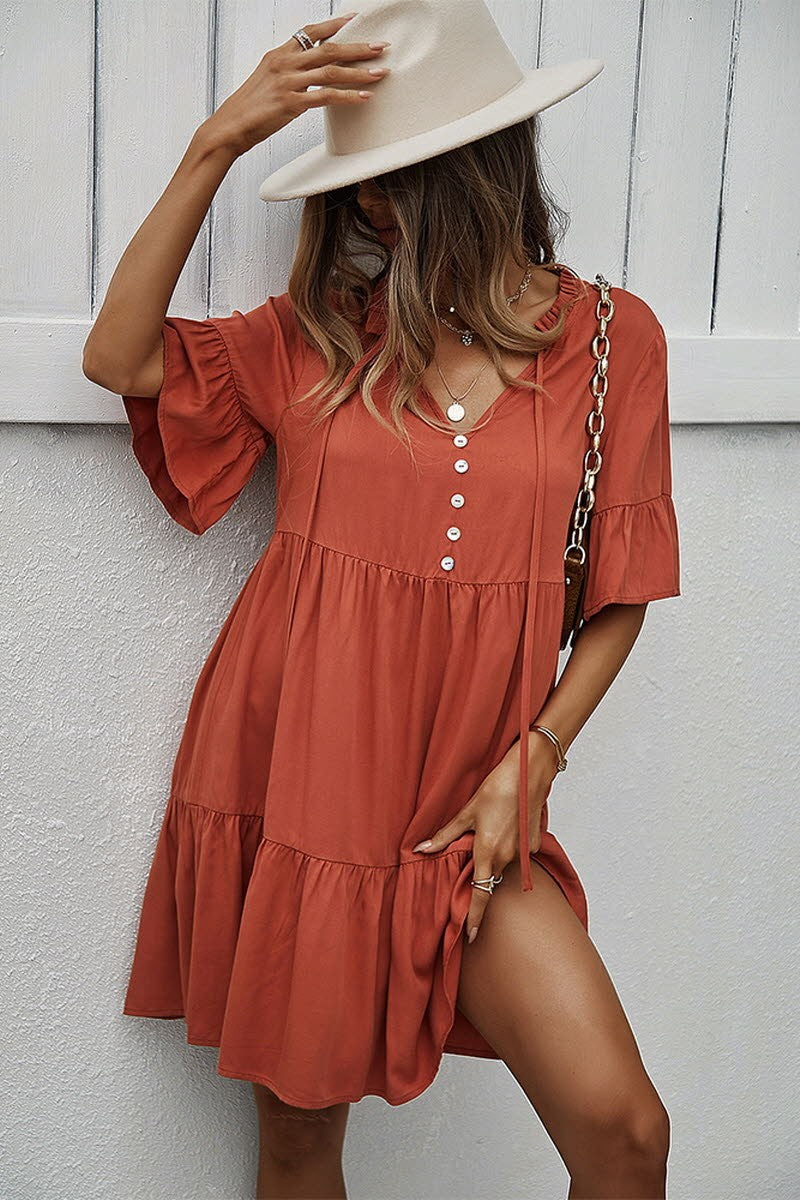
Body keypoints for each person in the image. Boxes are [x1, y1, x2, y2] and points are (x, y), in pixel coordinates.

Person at [83, 5, 681, 1198]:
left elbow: (617, 595)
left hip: (472, 815)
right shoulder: (314, 343)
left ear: (476, 169)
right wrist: (217, 143)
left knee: (623, 1136)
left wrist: (536, 759)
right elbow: (119, 357)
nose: (371, 212)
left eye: (397, 182)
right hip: (306, 793)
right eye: (360, 189)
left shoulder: (611, 343)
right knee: (301, 1139)